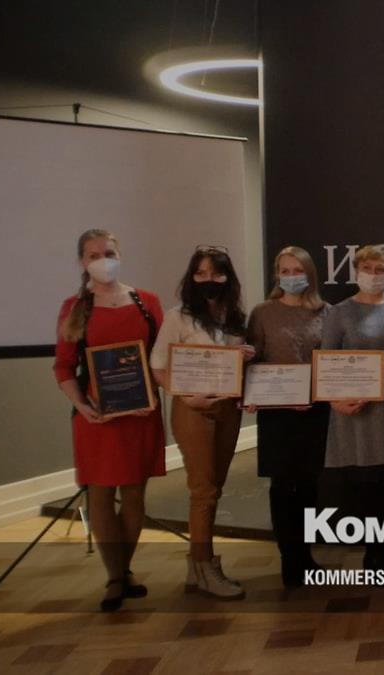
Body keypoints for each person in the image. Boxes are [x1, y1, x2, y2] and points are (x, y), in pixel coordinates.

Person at [53, 229, 165, 612]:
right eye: (94, 255)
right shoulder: (73, 308)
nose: (103, 260)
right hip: (96, 419)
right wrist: (82, 405)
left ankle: (124, 569)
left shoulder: (147, 302)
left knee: (134, 494)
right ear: (82, 262)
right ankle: (115, 577)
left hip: (141, 415)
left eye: (109, 253)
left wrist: (154, 392)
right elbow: (63, 367)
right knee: (99, 494)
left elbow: (160, 358)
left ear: (121, 255)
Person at [151, 245, 253, 599]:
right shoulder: (178, 317)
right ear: (192, 277)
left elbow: (233, 366)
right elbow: (158, 367)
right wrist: (185, 396)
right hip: (192, 409)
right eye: (201, 273)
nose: (209, 279)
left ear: (228, 278)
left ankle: (198, 567)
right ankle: (204, 566)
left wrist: (245, 356)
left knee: (215, 486)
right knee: (203, 490)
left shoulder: (234, 317)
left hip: (228, 410)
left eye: (216, 273)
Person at [317, 245, 384, 572]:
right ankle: (373, 553)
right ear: (356, 271)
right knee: (363, 484)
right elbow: (326, 363)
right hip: (355, 413)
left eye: (380, 269)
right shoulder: (339, 312)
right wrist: (336, 400)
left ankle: (380, 552)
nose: (373, 275)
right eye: (367, 268)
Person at [245, 246, 330, 589]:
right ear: (277, 274)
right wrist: (252, 393)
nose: (292, 276)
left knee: (309, 486)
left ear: (310, 274)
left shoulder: (326, 311)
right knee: (281, 486)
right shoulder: (262, 313)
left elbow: (332, 361)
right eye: (285, 270)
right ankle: (289, 560)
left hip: (314, 412)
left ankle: (306, 556)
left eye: (298, 270)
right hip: (277, 413)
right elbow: (253, 359)